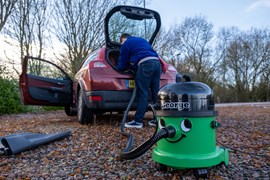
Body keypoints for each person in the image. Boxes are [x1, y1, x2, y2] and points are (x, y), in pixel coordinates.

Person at [116, 33, 161, 128]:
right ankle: (156, 120)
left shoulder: (126, 43)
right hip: (157, 64)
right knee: (155, 93)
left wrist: (120, 68)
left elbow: (122, 64)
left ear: (123, 39)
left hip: (145, 65)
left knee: (143, 93)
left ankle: (138, 121)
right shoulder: (142, 40)